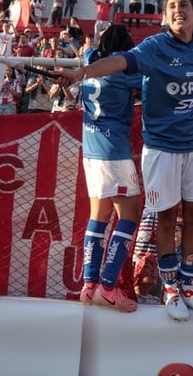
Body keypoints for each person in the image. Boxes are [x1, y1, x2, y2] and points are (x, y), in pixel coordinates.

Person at [56, 0, 193, 321]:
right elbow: (120, 62)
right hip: (162, 148)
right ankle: (170, 290)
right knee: (168, 219)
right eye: (172, 7)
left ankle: (189, 290)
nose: (178, 10)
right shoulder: (154, 47)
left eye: (184, 5)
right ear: (165, 17)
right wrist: (82, 72)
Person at [77, 24, 142, 312]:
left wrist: (92, 46)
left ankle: (89, 285)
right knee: (128, 217)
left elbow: (89, 49)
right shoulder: (123, 70)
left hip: (90, 149)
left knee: (99, 216)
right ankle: (107, 286)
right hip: (114, 149)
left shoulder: (92, 60)